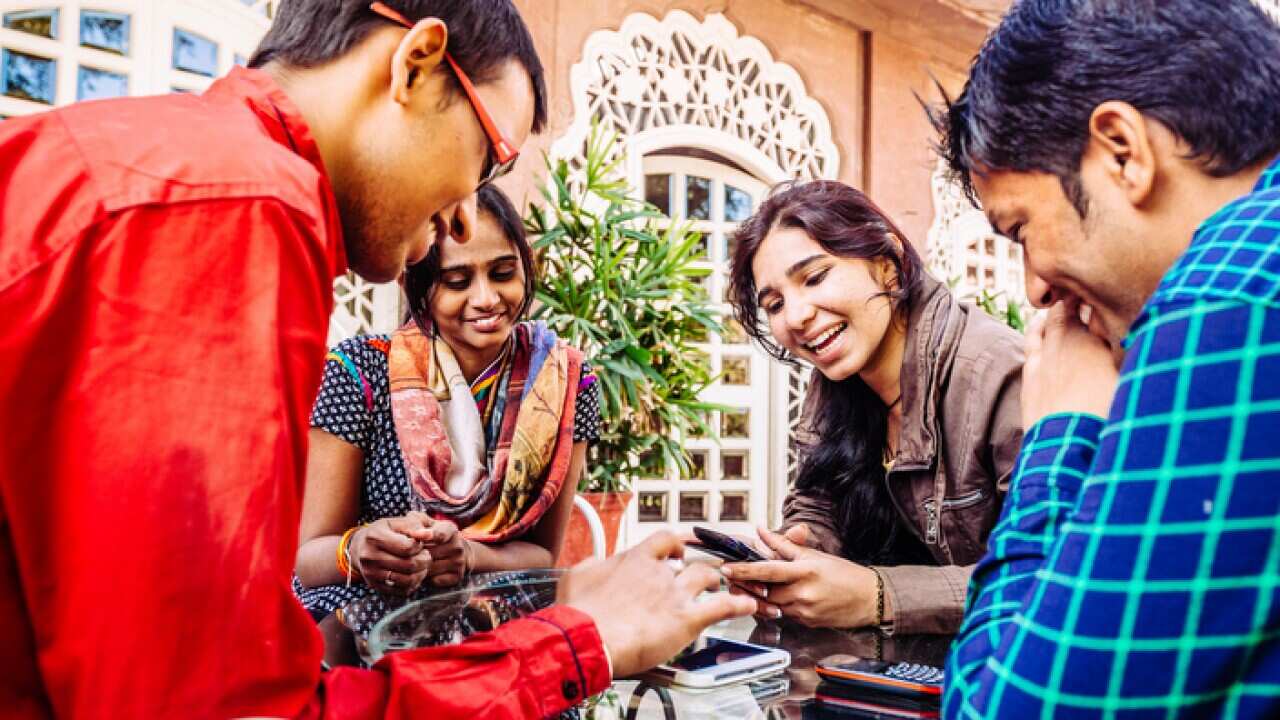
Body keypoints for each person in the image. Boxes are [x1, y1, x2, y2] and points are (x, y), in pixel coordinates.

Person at [0, 1, 754, 717]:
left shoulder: (134, 155)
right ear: (415, 64)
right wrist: (575, 639)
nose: (466, 214)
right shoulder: (235, 203)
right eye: (489, 157)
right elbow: (218, 705)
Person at [930, 0, 1280, 716]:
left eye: (1020, 227)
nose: (1033, 289)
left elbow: (1012, 708)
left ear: (1122, 149)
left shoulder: (1235, 286)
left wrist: (1059, 435)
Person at [718, 180, 1024, 634]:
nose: (796, 316)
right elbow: (818, 504)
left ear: (888, 266)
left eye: (815, 277)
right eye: (775, 303)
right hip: (902, 676)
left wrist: (880, 596)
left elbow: (1047, 578)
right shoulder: (836, 384)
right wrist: (796, 555)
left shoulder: (998, 373)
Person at [295, 184, 599, 621]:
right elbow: (310, 559)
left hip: (497, 621)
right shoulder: (358, 372)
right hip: (362, 622)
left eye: (502, 273)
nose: (486, 299)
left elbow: (543, 556)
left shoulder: (567, 382)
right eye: (456, 281)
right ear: (417, 286)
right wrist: (359, 548)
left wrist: (469, 557)